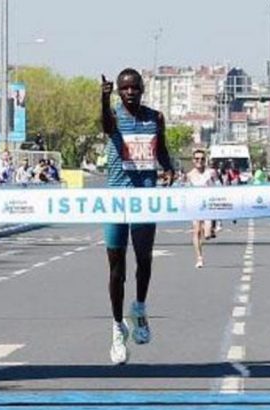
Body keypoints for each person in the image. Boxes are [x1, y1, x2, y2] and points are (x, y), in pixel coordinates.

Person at [101, 68, 174, 364]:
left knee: (144, 260)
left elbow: (162, 151)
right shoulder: (114, 116)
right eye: (125, 88)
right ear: (118, 92)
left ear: (142, 89)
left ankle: (139, 309)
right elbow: (105, 125)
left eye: (135, 88)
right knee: (116, 267)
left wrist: (168, 168)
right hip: (117, 198)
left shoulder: (155, 118)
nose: (130, 92)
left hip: (145, 197)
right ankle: (117, 327)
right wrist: (103, 101)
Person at [186, 149, 218, 268]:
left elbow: (219, 186)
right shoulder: (189, 175)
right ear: (193, 160)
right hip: (195, 206)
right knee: (196, 230)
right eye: (197, 159)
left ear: (205, 160)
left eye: (202, 159)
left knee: (207, 235)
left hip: (209, 206)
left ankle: (210, 228)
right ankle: (199, 258)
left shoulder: (211, 173)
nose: (199, 161)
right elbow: (185, 191)